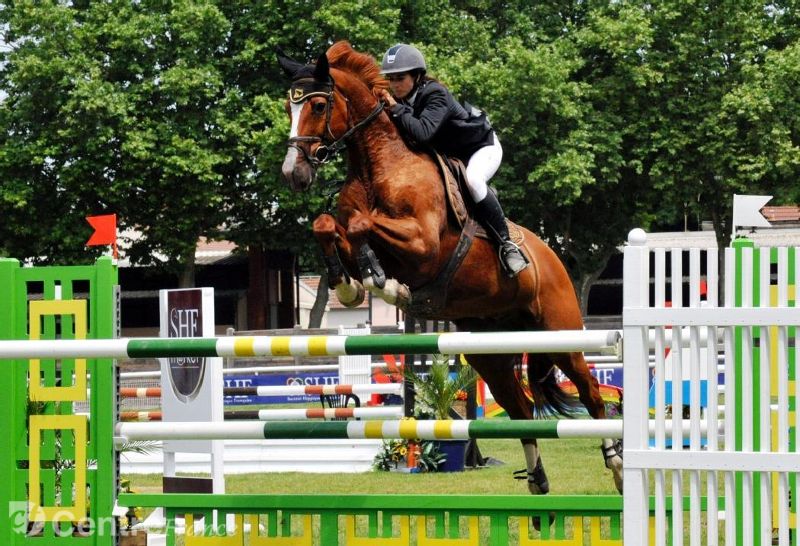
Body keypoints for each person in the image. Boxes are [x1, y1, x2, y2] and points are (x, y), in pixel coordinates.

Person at [378, 44, 528, 277]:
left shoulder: (435, 93)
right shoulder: (404, 101)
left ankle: (506, 244)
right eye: (391, 79)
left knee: (474, 180)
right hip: (451, 155)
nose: (394, 85)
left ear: (417, 76)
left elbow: (422, 132)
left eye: (400, 78)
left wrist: (396, 109)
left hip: (480, 148)